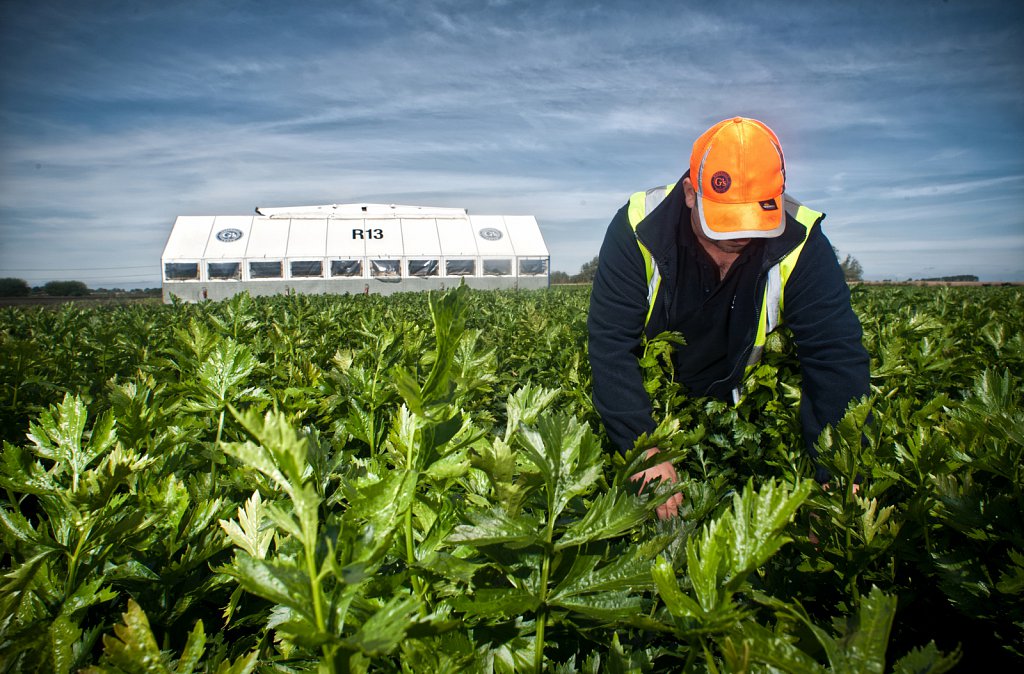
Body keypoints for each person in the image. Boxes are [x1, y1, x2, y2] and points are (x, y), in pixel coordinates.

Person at [587, 117, 870, 520]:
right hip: (658, 401)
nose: (741, 235)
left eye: (756, 219)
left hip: (740, 406)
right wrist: (642, 447)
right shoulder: (638, 225)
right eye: (725, 220)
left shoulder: (802, 239)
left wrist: (840, 476)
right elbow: (611, 343)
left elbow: (835, 356)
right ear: (690, 193)